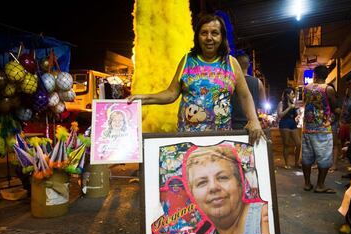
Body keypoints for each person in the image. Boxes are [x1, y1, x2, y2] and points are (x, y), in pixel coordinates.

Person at [127, 14, 264, 145]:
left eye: (214, 33)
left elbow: (245, 95)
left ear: (222, 37)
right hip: (188, 139)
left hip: (221, 139)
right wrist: (142, 99)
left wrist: (253, 120)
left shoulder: (231, 63)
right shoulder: (187, 60)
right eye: (204, 33)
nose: (209, 38)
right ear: (197, 37)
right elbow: (171, 93)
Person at [185, 145, 270, 234]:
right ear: (192, 194)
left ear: (240, 183)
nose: (213, 187)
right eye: (202, 182)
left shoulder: (265, 219)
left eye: (223, 177)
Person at [301, 65, 336, 193]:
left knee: (307, 157)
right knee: (324, 157)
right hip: (322, 129)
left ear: (315, 75)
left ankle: (307, 183)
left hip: (308, 128)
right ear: (326, 76)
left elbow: (306, 103)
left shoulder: (307, 88)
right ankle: (320, 185)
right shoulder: (328, 89)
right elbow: (333, 106)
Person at [231, 54, 266, 130]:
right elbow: (263, 104)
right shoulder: (258, 82)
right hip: (252, 124)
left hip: (233, 124)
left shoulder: (230, 81)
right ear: (248, 65)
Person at [277, 88, 301, 169]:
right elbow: (280, 115)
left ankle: (296, 163)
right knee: (286, 145)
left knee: (298, 143)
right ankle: (286, 164)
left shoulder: (293, 104)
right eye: (292, 94)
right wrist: (289, 108)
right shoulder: (281, 103)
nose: (293, 95)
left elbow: (296, 115)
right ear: (287, 95)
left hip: (293, 124)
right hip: (284, 124)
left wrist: (297, 113)